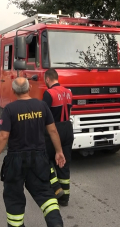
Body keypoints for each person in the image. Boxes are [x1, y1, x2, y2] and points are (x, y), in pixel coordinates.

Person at [0, 77, 65, 227]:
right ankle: (56, 224)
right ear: (29, 89)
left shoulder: (10, 109)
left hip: (16, 159)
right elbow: (53, 130)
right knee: (45, 195)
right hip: (39, 158)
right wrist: (59, 151)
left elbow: (3, 136)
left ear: (14, 91)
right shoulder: (42, 105)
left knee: (14, 197)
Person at [42, 69, 74, 207]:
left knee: (44, 158)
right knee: (63, 162)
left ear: (48, 79)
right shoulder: (68, 92)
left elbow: (44, 115)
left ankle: (55, 186)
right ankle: (64, 198)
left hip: (54, 129)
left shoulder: (48, 93)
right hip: (67, 128)